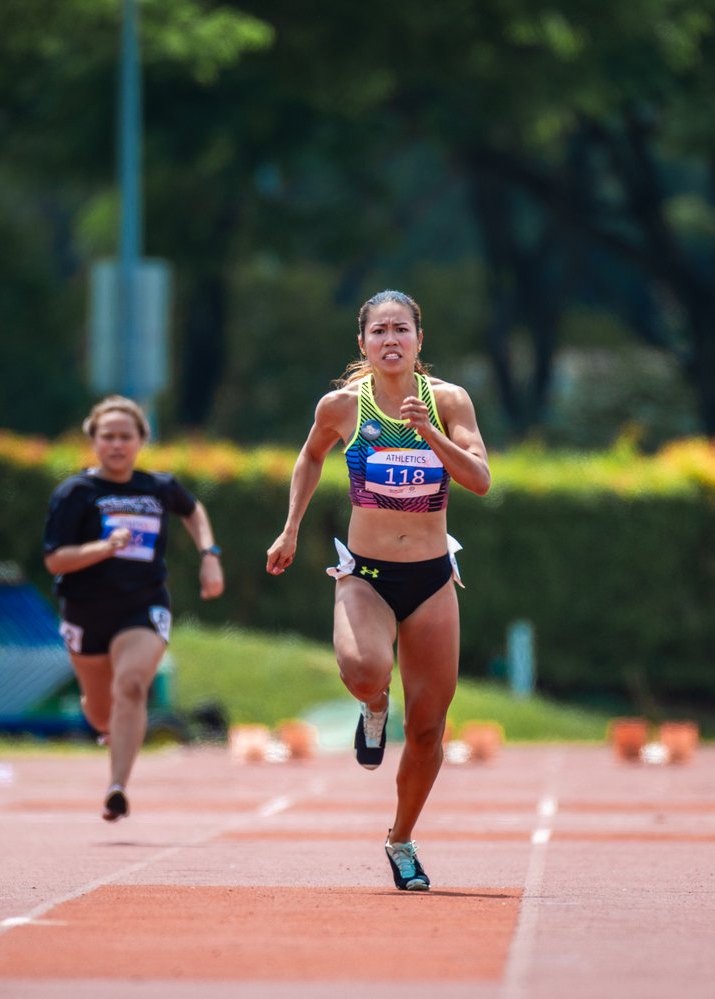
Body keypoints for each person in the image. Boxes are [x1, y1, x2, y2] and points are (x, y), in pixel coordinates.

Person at [264, 290, 490, 891]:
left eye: (402, 330)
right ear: (362, 343)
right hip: (366, 574)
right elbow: (309, 458)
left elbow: (481, 479)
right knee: (365, 670)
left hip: (432, 578)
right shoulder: (342, 406)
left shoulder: (448, 402)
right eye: (379, 331)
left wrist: (432, 435)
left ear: (420, 339)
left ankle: (402, 839)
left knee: (427, 731)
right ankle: (372, 705)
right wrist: (289, 528)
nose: (391, 340)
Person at [43, 397, 222, 821]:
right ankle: (109, 726)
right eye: (108, 436)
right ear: (94, 441)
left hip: (142, 605)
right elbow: (55, 560)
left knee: (132, 685)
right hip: (85, 610)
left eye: (126, 436)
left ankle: (117, 786)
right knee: (101, 706)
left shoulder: (158, 487)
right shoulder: (76, 494)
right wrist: (103, 548)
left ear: (142, 440)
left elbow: (193, 510)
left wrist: (209, 554)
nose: (117, 445)